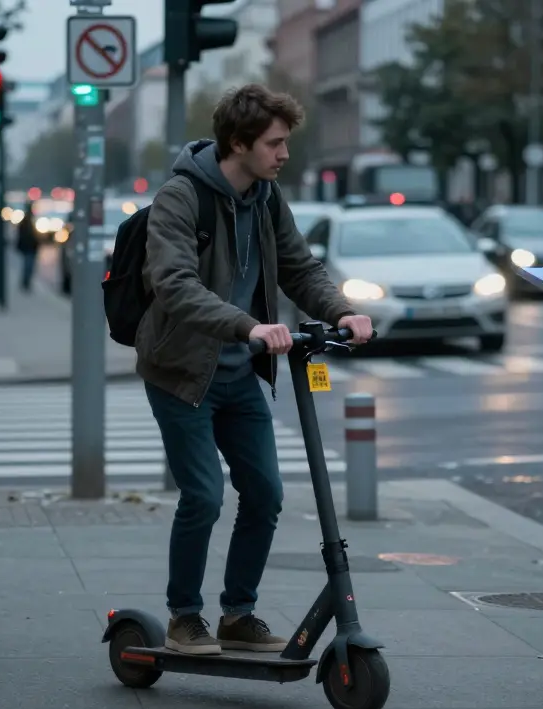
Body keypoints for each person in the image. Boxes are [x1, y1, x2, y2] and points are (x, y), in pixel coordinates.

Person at [140, 83, 373, 655]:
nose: (284, 154)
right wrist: (246, 326)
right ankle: (184, 617)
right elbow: (173, 285)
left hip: (239, 374)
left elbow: (298, 266)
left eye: (285, 142)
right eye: (274, 143)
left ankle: (238, 614)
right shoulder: (180, 197)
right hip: (181, 373)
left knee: (266, 492)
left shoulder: (266, 198)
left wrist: (342, 310)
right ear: (238, 143)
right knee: (204, 496)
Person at [17, 203, 40, 291]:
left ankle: (26, 283)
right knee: (28, 266)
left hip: (30, 248)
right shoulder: (26, 222)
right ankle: (25, 283)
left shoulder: (31, 221)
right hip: (28, 248)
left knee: (29, 266)